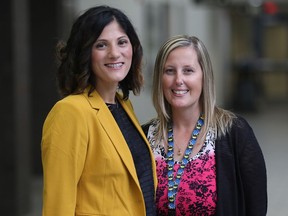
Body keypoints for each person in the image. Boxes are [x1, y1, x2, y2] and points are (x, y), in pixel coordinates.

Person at [41, 5, 157, 216]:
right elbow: (58, 206)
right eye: (101, 45)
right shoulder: (70, 112)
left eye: (122, 42)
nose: (115, 53)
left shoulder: (123, 105)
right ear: (85, 53)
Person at [142, 35, 267, 216]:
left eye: (188, 70)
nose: (178, 80)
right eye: (169, 71)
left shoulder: (235, 133)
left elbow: (256, 207)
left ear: (204, 76)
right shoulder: (145, 137)